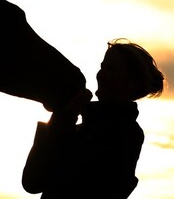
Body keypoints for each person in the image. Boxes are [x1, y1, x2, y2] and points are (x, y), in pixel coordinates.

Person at [22, 38, 165, 199]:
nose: (102, 75)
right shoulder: (81, 125)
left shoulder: (127, 134)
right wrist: (64, 115)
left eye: (111, 69)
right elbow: (32, 182)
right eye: (102, 67)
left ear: (132, 83)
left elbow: (76, 184)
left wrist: (67, 118)